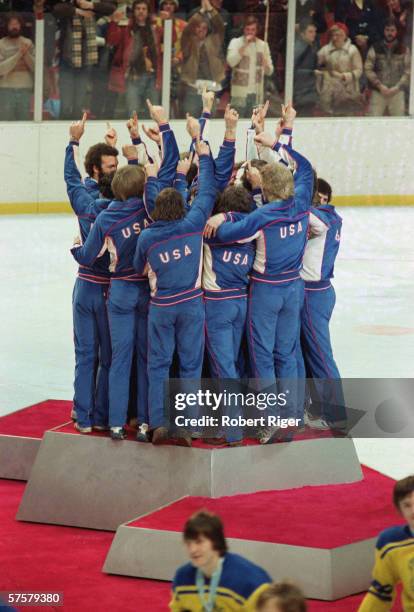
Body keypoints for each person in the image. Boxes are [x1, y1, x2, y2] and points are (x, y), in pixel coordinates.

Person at [133, 136, 218, 446]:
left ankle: (158, 423)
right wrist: (202, 158)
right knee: (190, 365)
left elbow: (139, 268)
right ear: (183, 206)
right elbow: (208, 191)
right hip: (192, 305)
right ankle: (188, 425)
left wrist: (154, 177)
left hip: (162, 306)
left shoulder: (148, 239)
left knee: (158, 364)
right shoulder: (194, 222)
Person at [64, 114, 113, 433]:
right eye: (110, 166)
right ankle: (100, 414)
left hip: (84, 285)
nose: (116, 171)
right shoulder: (119, 206)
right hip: (109, 290)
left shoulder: (84, 199)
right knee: (105, 356)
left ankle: (82, 413)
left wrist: (73, 142)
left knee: (86, 354)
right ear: (97, 168)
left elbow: (72, 179)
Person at [298, 178, 346, 431]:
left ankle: (336, 413)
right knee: (310, 353)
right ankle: (316, 407)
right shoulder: (332, 216)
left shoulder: (319, 219)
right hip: (320, 291)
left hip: (312, 294)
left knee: (319, 355)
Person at [170, 510, 271, 611]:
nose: (192, 550)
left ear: (216, 541)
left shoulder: (250, 582)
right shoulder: (182, 579)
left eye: (199, 542)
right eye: (188, 543)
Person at [51, 0, 116, 119]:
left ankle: (77, 132)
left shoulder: (93, 7)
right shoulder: (68, 6)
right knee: (66, 104)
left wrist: (90, 5)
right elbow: (56, 9)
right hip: (67, 61)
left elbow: (111, 7)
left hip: (86, 62)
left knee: (79, 104)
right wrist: (77, 10)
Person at [358, 475, 414, 611]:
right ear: (399, 510)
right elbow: (380, 592)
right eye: (407, 505)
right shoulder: (391, 544)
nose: (413, 511)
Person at [107, 0, 160, 117]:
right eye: (138, 9)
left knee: (155, 113)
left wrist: (168, 21)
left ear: (148, 12)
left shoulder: (155, 28)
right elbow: (112, 41)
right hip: (132, 76)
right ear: (133, 11)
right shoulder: (126, 27)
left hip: (152, 76)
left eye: (144, 9)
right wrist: (114, 23)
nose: (141, 11)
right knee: (133, 112)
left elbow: (171, 40)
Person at [180, 0, 225, 117]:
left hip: (211, 86)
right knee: (190, 118)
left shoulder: (214, 40)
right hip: (192, 86)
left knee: (210, 119)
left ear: (207, 30)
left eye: (204, 28)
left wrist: (210, 10)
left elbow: (220, 26)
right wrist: (200, 12)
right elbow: (186, 30)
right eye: (198, 28)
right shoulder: (189, 42)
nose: (201, 30)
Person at [226, 15, 274, 118]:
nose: (250, 32)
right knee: (236, 122)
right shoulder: (235, 42)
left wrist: (265, 65)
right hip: (239, 93)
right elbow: (231, 62)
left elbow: (270, 71)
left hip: (256, 93)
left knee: (253, 124)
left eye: (253, 29)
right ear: (243, 30)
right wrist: (244, 46)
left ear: (257, 30)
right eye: (247, 29)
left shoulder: (263, 45)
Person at [365, 18, 410, 117]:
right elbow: (368, 69)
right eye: (387, 30)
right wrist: (379, 86)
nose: (390, 33)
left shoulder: (404, 49)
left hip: (397, 92)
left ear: (397, 32)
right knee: (372, 122)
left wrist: (397, 87)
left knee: (399, 123)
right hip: (378, 91)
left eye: (392, 30)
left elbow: (408, 71)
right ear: (384, 31)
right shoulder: (375, 48)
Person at [317, 22, 363, 115]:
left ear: (345, 35)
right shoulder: (325, 50)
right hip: (330, 92)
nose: (335, 38)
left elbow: (359, 70)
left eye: (339, 35)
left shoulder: (352, 50)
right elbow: (317, 65)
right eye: (333, 35)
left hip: (348, 91)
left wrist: (344, 76)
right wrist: (323, 73)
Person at [0, 13, 34, 120]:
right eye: (11, 24)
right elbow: (1, 69)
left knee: (24, 121)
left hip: (25, 88)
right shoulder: (1, 44)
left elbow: (35, 67)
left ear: (21, 26)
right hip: (6, 89)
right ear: (6, 26)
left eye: (17, 24)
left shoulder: (28, 43)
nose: (14, 27)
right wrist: (19, 55)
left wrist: (26, 54)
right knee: (6, 122)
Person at [293, 18, 319, 115]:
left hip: (307, 91)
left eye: (314, 31)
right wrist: (312, 73)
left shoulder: (310, 46)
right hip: (302, 93)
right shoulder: (300, 48)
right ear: (302, 33)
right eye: (310, 32)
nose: (314, 34)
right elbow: (293, 71)